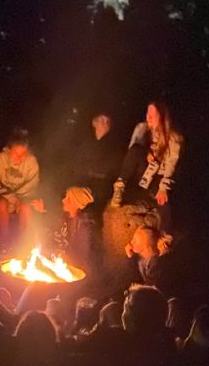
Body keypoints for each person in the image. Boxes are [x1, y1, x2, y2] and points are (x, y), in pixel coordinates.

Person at [110, 99, 183, 232]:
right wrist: (145, 153)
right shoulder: (142, 128)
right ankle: (119, 186)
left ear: (162, 116)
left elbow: (172, 164)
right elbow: (131, 150)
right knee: (136, 149)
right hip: (142, 171)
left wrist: (164, 187)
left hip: (158, 177)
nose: (148, 117)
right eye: (147, 113)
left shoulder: (173, 137)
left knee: (163, 204)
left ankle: (163, 236)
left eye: (153, 114)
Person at [0, 128, 44, 245]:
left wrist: (21, 199)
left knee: (25, 207)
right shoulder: (0, 159)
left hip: (23, 199)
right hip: (3, 198)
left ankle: (23, 243)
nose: (19, 158)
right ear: (8, 150)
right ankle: (4, 241)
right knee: (2, 204)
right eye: (16, 153)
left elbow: (32, 185)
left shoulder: (31, 161)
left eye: (23, 153)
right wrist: (12, 198)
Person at [71, 113, 120, 210]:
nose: (105, 124)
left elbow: (111, 169)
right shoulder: (86, 144)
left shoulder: (114, 146)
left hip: (102, 189)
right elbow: (78, 166)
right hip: (84, 184)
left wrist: (95, 172)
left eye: (107, 121)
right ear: (95, 123)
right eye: (102, 120)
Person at [124, 225, 176, 296]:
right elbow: (134, 277)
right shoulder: (140, 259)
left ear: (147, 247)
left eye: (135, 241)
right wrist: (130, 257)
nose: (131, 242)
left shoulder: (157, 264)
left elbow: (152, 287)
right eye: (133, 239)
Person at [53, 186, 95, 268]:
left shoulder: (84, 227)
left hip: (74, 268)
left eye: (68, 199)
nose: (63, 200)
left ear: (76, 204)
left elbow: (81, 256)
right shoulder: (64, 220)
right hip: (59, 263)